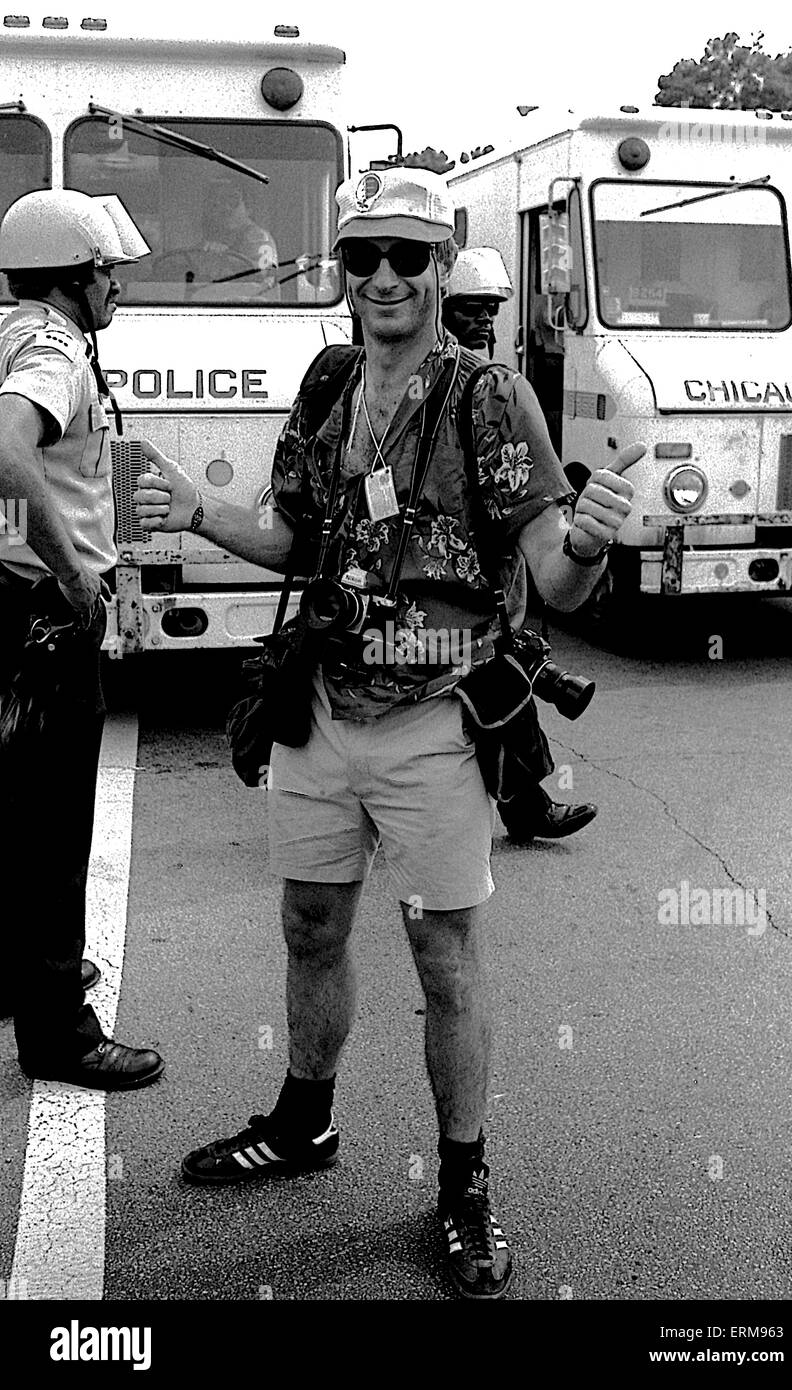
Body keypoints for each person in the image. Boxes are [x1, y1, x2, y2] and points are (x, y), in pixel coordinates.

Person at [135, 167, 641, 1298]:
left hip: (435, 724)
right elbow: (292, 540)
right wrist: (196, 508)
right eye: (362, 257)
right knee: (310, 928)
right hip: (319, 712)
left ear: (444, 256)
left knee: (442, 957)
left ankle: (463, 1184)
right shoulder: (324, 384)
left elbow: (552, 579)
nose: (383, 279)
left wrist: (594, 542)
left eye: (408, 257)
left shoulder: (490, 397)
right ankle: (304, 1123)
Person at [0, 189, 164, 1089]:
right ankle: (60, 1028)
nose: (117, 290)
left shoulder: (15, 332)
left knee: (14, 813)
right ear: (74, 276)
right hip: (41, 615)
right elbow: (5, 454)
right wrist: (70, 571)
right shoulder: (55, 351)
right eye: (108, 273)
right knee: (55, 833)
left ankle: (15, 976)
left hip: (8, 605)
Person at [442, 245, 598, 844]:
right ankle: (526, 808)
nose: (484, 321)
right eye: (471, 310)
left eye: (491, 311)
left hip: (493, 573)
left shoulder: (498, 390)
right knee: (499, 689)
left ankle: (525, 806)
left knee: (502, 685)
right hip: (445, 589)